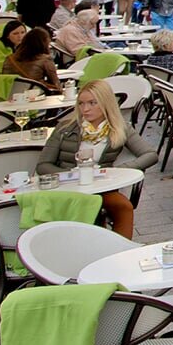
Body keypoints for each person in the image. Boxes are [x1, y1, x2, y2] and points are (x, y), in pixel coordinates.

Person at [36, 80, 138, 235]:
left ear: (106, 103)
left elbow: (150, 155)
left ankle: (122, 249)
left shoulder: (119, 128)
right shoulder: (65, 128)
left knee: (123, 206)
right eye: (81, 104)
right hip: (66, 185)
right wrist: (74, 174)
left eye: (92, 103)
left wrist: (118, 171)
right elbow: (43, 165)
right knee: (86, 207)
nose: (85, 109)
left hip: (99, 187)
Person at [5, 28, 61, 93]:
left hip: (10, 95)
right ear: (45, 42)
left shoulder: (9, 59)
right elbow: (56, 85)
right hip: (35, 94)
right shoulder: (45, 59)